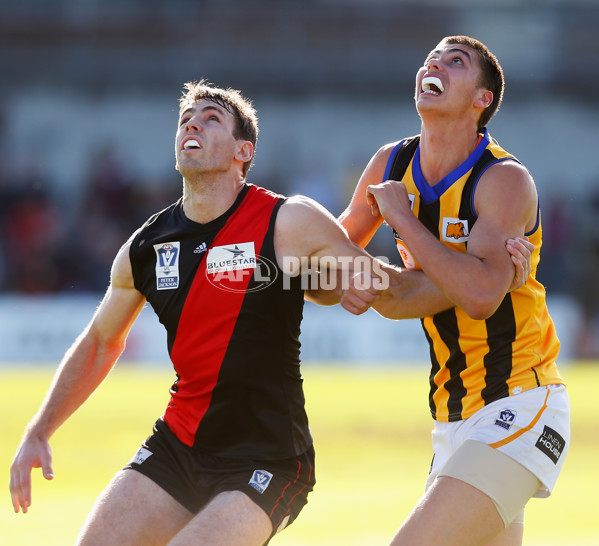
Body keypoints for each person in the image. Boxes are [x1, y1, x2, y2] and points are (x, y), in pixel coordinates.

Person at [8, 80, 396, 545]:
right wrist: (39, 429)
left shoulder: (288, 219)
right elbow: (99, 343)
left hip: (267, 458)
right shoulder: (146, 247)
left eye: (212, 118)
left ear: (242, 151)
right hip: (179, 447)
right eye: (186, 118)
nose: (192, 122)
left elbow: (366, 279)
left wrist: (370, 279)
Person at [339, 36, 569, 546]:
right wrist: (351, 282)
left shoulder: (503, 179)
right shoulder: (390, 164)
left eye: (454, 61)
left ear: (482, 98)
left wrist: (403, 223)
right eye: (430, 59)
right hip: (451, 417)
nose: (433, 64)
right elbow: (325, 263)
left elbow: (482, 298)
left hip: (520, 404)